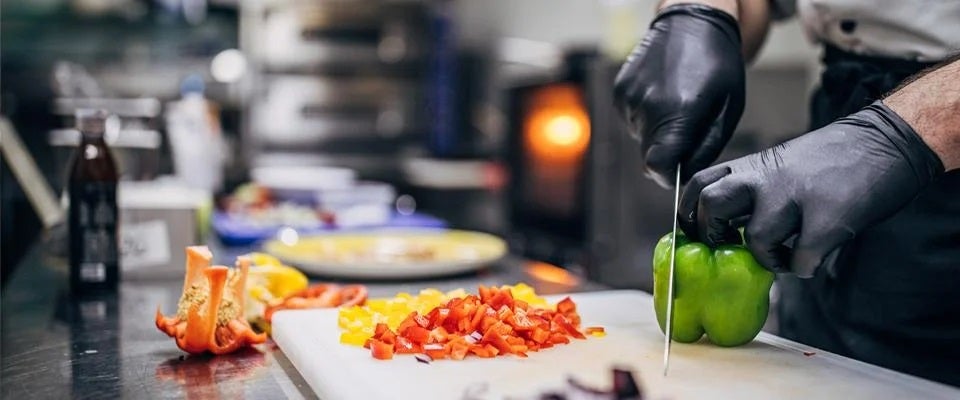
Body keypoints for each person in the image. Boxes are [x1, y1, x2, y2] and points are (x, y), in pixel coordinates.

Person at [613, 0, 959, 386]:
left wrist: (905, 132)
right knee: (812, 378)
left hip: (940, 154)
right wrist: (703, 14)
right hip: (845, 111)